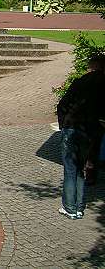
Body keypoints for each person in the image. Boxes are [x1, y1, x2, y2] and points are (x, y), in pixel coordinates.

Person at [57, 54, 105, 219]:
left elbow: (62, 104)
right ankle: (79, 208)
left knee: (70, 169)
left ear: (92, 66)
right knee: (80, 170)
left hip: (72, 127)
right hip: (89, 131)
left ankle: (69, 207)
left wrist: (63, 125)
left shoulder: (81, 82)